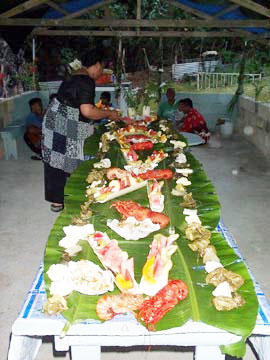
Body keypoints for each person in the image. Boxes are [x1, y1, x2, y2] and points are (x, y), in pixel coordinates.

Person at [42, 48, 120, 213]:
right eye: (102, 68)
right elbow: (87, 111)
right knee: (68, 156)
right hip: (63, 123)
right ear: (97, 64)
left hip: (54, 119)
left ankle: (58, 200)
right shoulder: (86, 81)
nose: (100, 73)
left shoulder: (74, 75)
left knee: (56, 160)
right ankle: (75, 195)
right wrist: (110, 114)